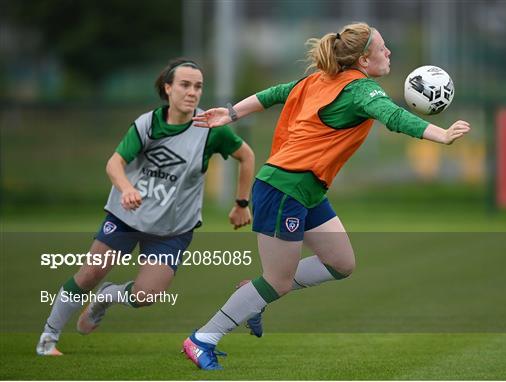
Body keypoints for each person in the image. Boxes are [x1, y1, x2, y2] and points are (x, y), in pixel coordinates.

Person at [181, 23, 471, 370]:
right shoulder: (361, 90)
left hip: (307, 189)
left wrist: (230, 113)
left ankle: (254, 294)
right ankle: (203, 339)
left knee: (341, 263)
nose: (389, 52)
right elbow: (394, 117)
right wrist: (442, 135)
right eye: (382, 48)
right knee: (278, 281)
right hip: (283, 189)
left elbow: (274, 93)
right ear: (364, 59)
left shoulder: (320, 80)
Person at [36, 58, 255, 356]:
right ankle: (48, 338)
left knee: (147, 295)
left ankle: (108, 297)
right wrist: (126, 189)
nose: (193, 92)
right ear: (168, 88)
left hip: (173, 228)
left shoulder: (211, 128)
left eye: (199, 86)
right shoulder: (147, 123)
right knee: (89, 274)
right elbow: (115, 163)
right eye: (185, 85)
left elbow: (247, 156)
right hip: (128, 216)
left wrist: (241, 203)